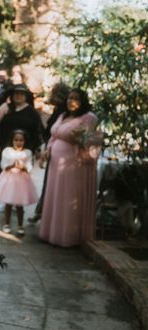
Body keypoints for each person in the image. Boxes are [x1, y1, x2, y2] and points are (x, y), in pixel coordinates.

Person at [39, 88, 100, 247]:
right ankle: (51, 232)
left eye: (76, 99)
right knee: (55, 195)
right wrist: (48, 149)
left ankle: (68, 237)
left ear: (83, 101)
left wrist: (80, 138)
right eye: (69, 98)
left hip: (73, 164)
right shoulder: (62, 116)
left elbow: (92, 140)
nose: (71, 102)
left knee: (68, 197)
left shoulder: (89, 117)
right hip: (55, 164)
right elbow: (54, 135)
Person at [28, 82, 70, 223]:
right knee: (49, 184)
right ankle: (41, 212)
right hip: (52, 149)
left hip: (55, 152)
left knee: (50, 185)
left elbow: (51, 130)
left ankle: (42, 213)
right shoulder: (60, 110)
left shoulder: (62, 111)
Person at [0, 84, 43, 175]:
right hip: (4, 150)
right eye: (16, 93)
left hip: (23, 152)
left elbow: (38, 131)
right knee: (2, 178)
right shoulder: (5, 107)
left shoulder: (32, 112)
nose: (18, 96)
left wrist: (38, 149)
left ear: (26, 96)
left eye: (22, 93)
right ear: (12, 95)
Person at [0, 130, 38, 236]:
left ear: (25, 141)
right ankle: (6, 224)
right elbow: (3, 164)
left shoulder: (27, 152)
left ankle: (20, 225)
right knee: (8, 203)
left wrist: (24, 167)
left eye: (21, 140)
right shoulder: (7, 151)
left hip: (22, 180)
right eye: (16, 140)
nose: (19, 142)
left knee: (19, 204)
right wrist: (11, 165)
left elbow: (30, 166)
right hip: (9, 179)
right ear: (12, 140)